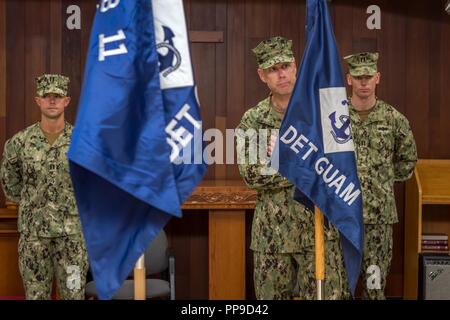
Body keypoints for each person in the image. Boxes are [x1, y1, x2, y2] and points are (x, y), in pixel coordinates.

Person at [236, 36, 349, 300]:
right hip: (272, 237)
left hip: (319, 229)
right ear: (262, 75)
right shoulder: (253, 120)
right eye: (273, 69)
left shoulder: (325, 114)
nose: (281, 74)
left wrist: (284, 157)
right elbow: (252, 176)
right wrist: (307, 162)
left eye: (285, 65)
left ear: (296, 66)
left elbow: (338, 168)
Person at [0, 74, 88, 300]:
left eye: (56, 97)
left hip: (72, 238)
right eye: (46, 96)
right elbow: (10, 182)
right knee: (36, 296)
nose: (51, 101)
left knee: (74, 295)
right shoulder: (20, 143)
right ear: (37, 100)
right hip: (34, 238)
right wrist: (33, 205)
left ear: (66, 101)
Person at [344, 52, 417, 299]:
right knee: (340, 288)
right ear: (349, 79)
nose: (363, 82)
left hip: (379, 221)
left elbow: (407, 162)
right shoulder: (335, 118)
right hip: (342, 218)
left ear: (377, 78)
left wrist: (381, 182)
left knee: (374, 288)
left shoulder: (394, 119)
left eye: (368, 76)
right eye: (358, 77)